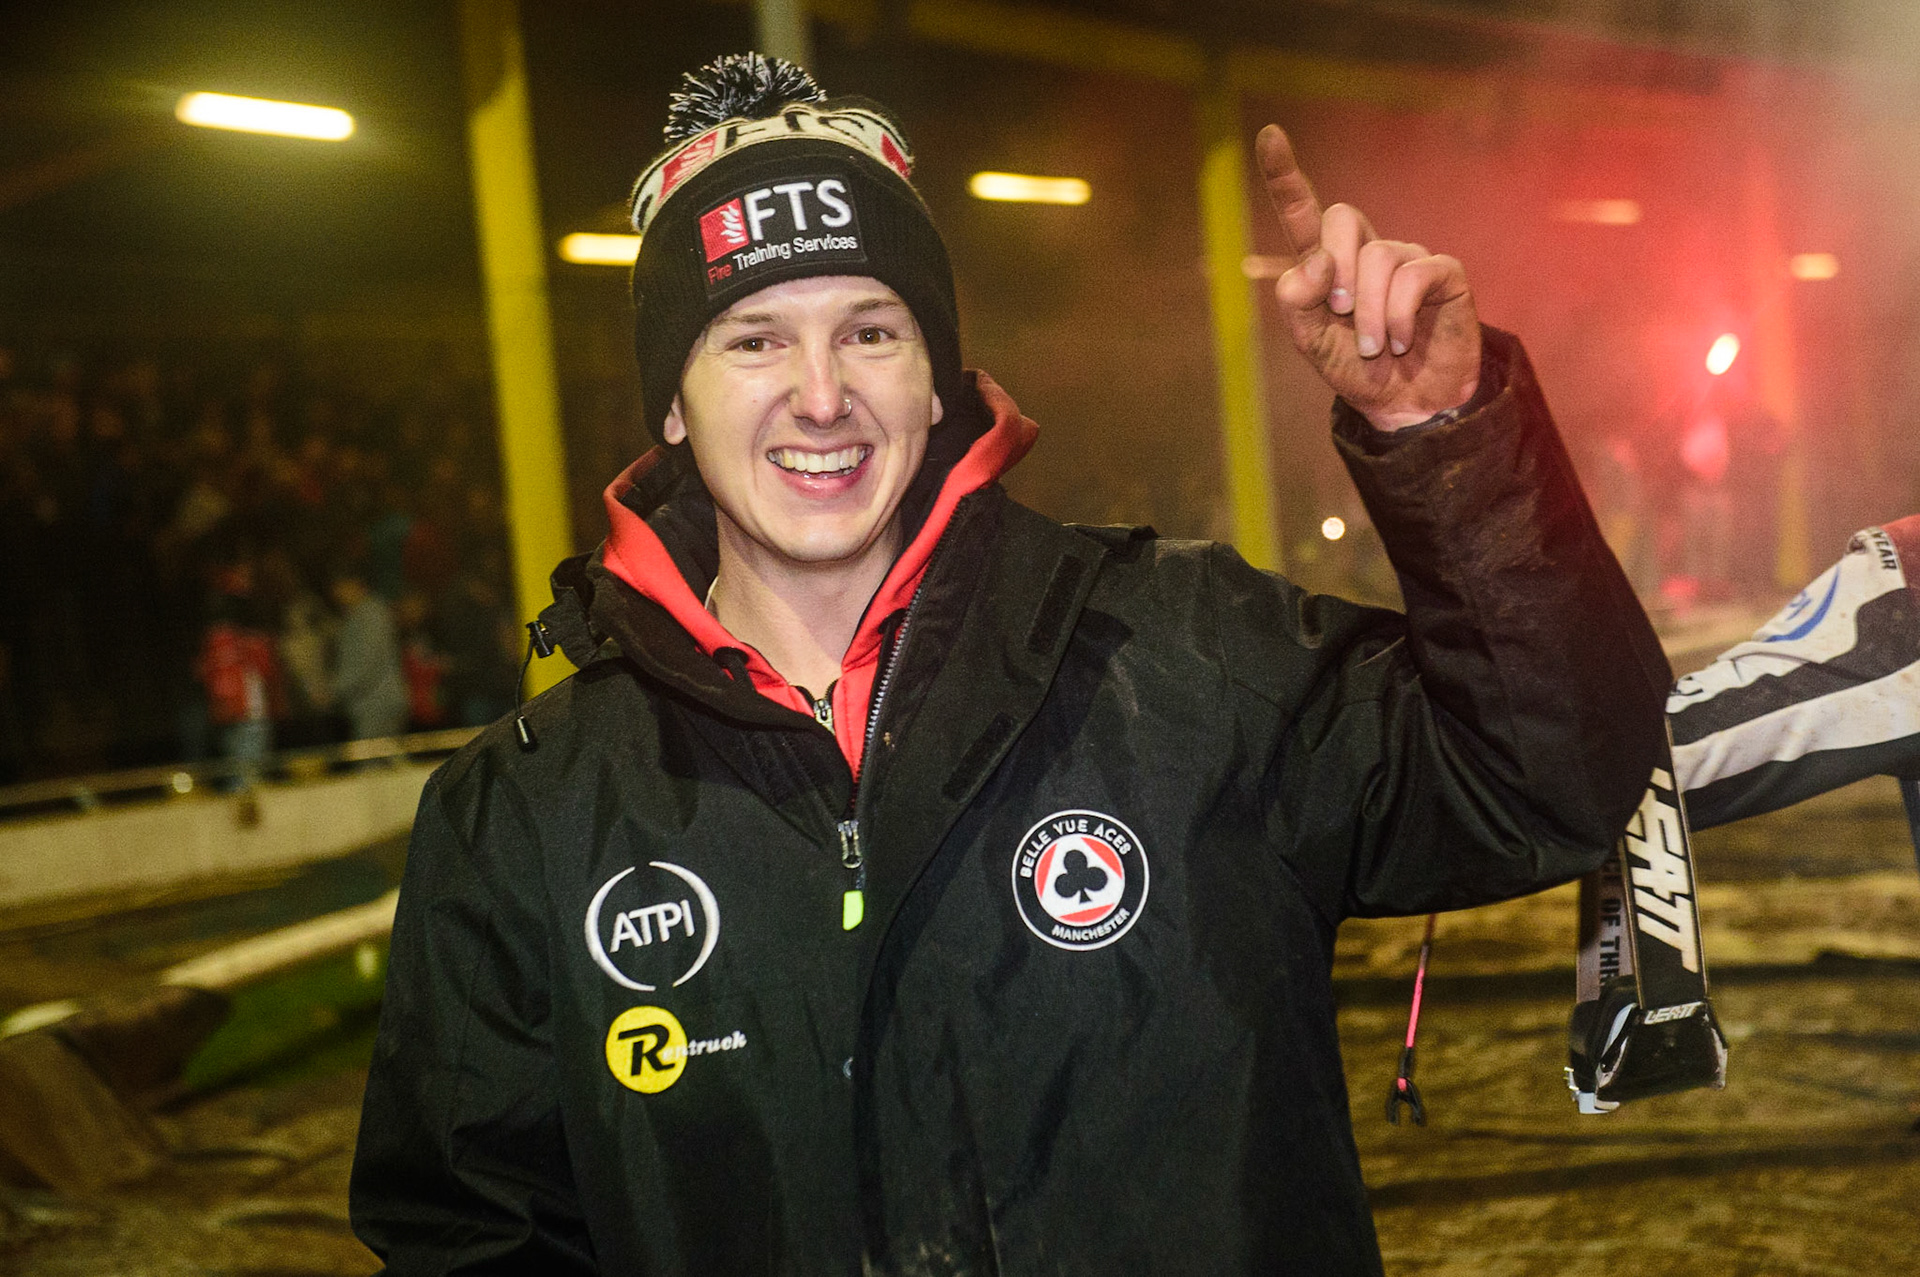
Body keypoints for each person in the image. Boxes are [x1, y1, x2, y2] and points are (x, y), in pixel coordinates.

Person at [350, 54, 1666, 1274]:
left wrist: (1443, 432)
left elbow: (1546, 782)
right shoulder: (524, 817)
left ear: (936, 381)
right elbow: (472, 1233)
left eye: (871, 330)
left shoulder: (1189, 656)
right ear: (674, 403)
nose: (821, 394)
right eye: (754, 340)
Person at [328, 562, 409, 742]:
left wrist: (334, 690)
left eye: (339, 586)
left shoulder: (370, 616)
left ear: (355, 584)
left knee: (370, 767)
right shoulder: (359, 615)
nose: (336, 593)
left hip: (378, 703)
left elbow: (366, 663)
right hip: (372, 702)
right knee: (386, 765)